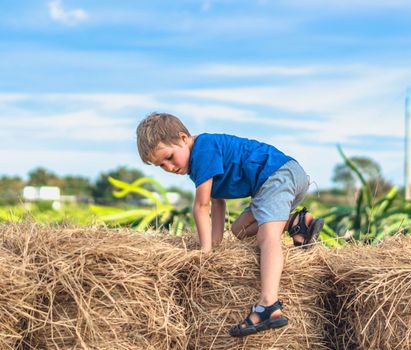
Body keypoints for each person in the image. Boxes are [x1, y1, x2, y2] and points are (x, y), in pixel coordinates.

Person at [136, 112, 324, 337]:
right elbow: (218, 203)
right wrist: (214, 243)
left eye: (168, 157)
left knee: (267, 237)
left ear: (183, 138)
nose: (167, 167)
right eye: (160, 166)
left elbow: (202, 206)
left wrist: (204, 253)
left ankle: (268, 305)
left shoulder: (203, 149)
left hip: (277, 176)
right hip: (283, 176)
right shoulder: (200, 162)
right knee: (239, 230)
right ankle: (297, 222)